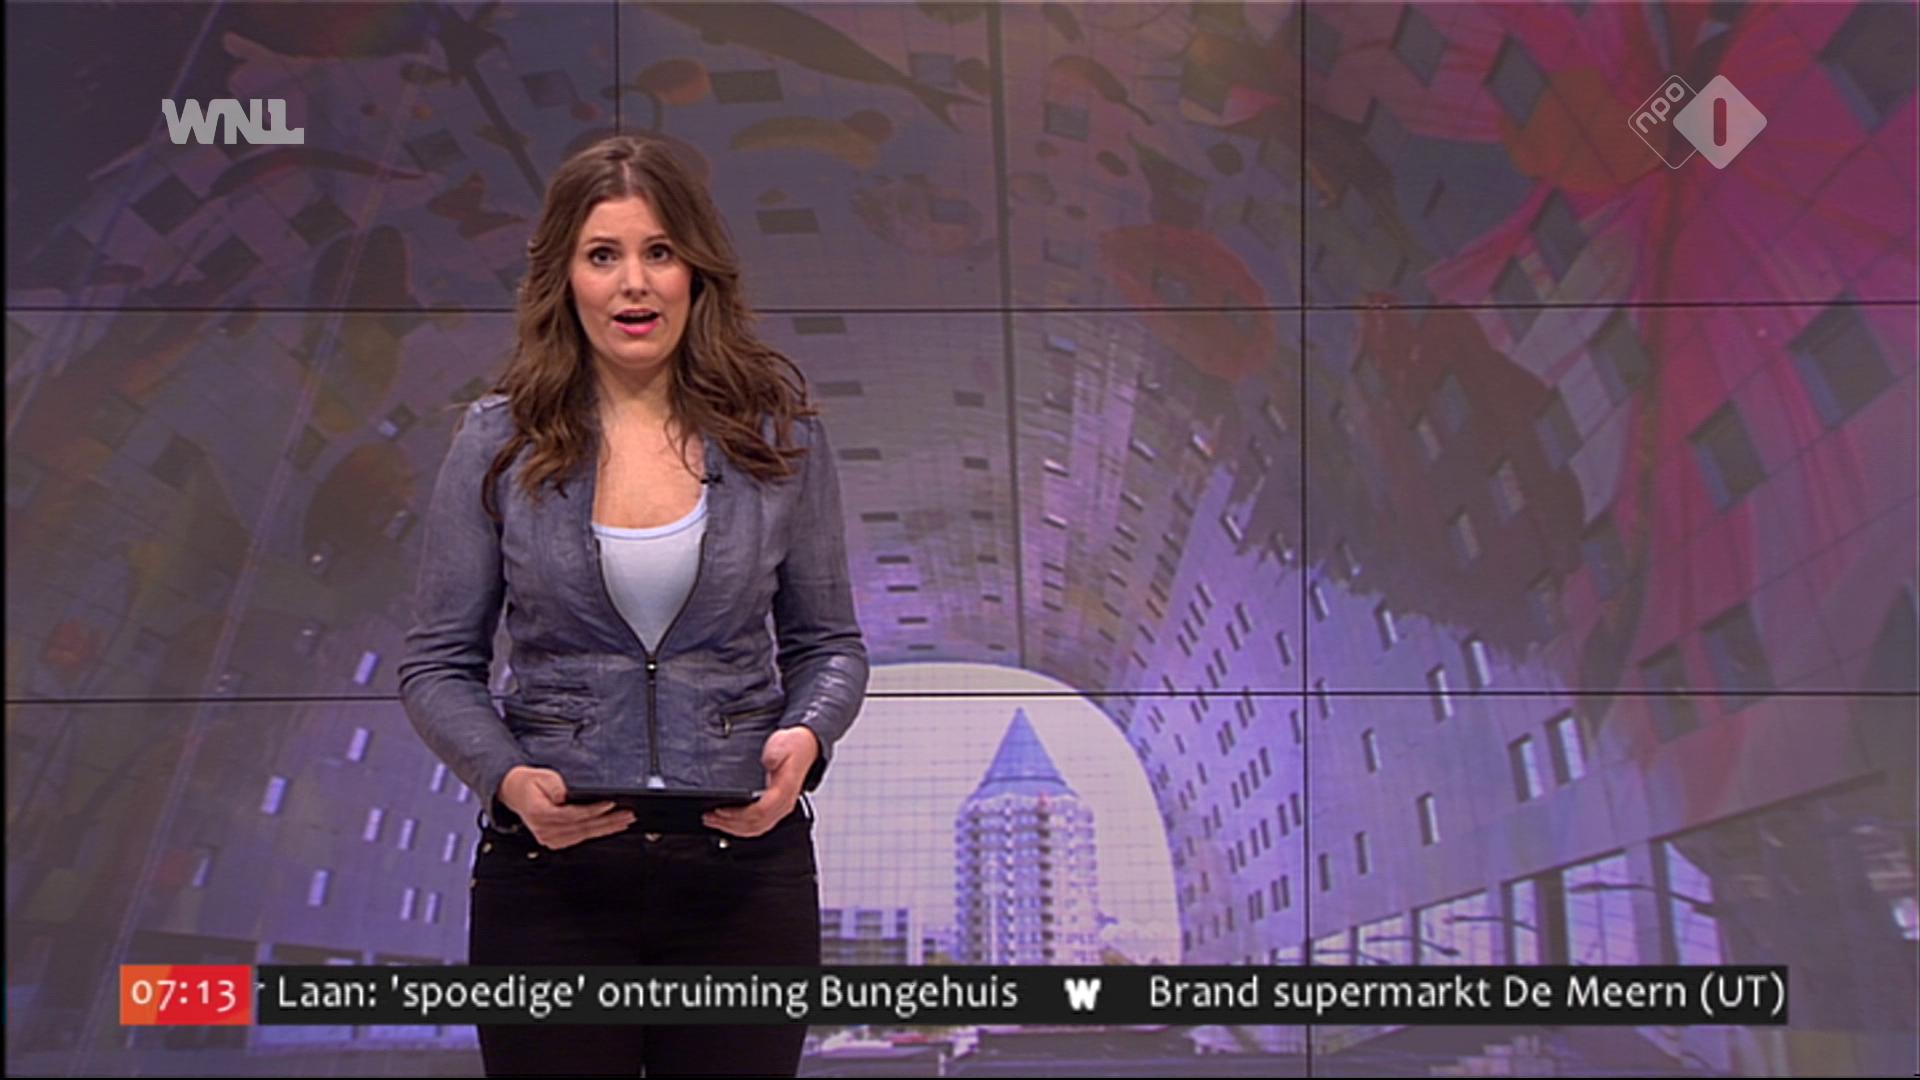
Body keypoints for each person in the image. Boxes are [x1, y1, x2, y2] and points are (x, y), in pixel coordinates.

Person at [396, 133, 869, 1077]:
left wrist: (807, 738)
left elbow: (830, 645)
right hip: (550, 880)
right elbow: (437, 665)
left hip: (745, 876)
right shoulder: (497, 442)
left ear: (698, 269)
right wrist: (506, 778)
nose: (634, 284)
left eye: (659, 251)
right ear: (564, 277)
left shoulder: (779, 438)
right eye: (603, 255)